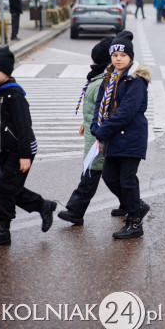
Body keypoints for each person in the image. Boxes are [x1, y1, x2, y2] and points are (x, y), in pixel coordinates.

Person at [58, 37, 128, 225]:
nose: (92, 62)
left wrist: (99, 132)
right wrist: (85, 122)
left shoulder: (101, 82)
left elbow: (104, 111)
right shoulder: (98, 79)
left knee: (91, 172)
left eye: (94, 59)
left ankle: (75, 211)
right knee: (107, 175)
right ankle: (130, 204)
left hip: (99, 137)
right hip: (93, 132)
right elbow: (94, 108)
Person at [0, 46, 56, 247]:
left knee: (6, 188)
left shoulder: (15, 96)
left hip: (22, 148)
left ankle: (3, 230)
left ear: (7, 72)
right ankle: (43, 205)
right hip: (7, 148)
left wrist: (25, 155)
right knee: (9, 187)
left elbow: (24, 127)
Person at [90, 31, 151, 239]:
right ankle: (137, 205)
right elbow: (100, 104)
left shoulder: (136, 79)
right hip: (114, 136)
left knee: (127, 180)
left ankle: (135, 222)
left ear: (130, 57)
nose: (118, 59)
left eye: (123, 55)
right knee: (109, 176)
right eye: (115, 55)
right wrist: (95, 126)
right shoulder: (109, 76)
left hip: (131, 135)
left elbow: (126, 111)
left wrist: (103, 130)